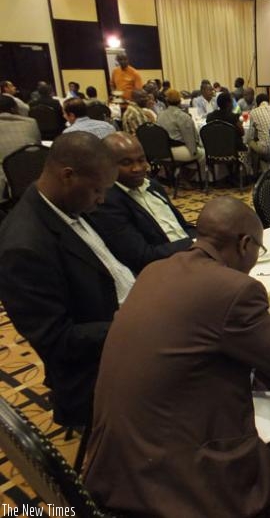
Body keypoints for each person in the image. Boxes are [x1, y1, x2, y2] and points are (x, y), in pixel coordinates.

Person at [84, 197, 270, 518]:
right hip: (174, 475)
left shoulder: (155, 270)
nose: (256, 259)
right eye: (258, 250)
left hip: (115, 459)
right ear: (244, 244)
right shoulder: (235, 289)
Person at [0, 132, 134, 427]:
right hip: (97, 367)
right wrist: (133, 326)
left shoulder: (68, 205)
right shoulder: (24, 247)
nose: (101, 200)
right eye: (98, 190)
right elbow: (57, 340)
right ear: (68, 176)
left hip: (125, 319)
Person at [88, 132, 195, 275]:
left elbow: (183, 226)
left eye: (141, 160)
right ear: (106, 165)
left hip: (190, 255)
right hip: (164, 270)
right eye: (126, 163)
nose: (137, 168)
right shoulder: (106, 203)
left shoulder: (152, 185)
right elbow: (142, 257)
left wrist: (203, 239)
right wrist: (194, 243)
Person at [0, 95, 41, 200]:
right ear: (14, 109)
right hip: (35, 178)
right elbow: (37, 148)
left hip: (6, 188)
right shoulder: (31, 122)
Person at [155, 88, 206, 172]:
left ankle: (178, 174)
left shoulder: (160, 115)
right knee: (203, 153)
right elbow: (191, 138)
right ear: (180, 101)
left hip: (162, 151)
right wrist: (196, 149)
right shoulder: (183, 116)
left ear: (167, 102)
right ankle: (188, 177)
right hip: (176, 150)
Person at [246, 93, 270, 169]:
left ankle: (254, 173)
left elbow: (250, 135)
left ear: (257, 103)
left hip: (266, 149)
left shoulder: (254, 112)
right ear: (269, 101)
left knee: (249, 141)